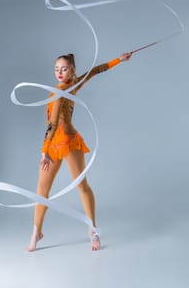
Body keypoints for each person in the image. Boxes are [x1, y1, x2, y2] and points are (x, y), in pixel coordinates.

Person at [26, 51, 132, 252]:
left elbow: (53, 123)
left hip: (68, 143)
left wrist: (43, 151)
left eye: (64, 69)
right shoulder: (71, 86)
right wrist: (119, 59)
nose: (59, 72)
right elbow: (94, 71)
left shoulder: (66, 89)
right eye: (57, 69)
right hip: (54, 145)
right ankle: (36, 233)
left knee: (82, 186)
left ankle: (92, 229)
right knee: (42, 191)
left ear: (72, 70)